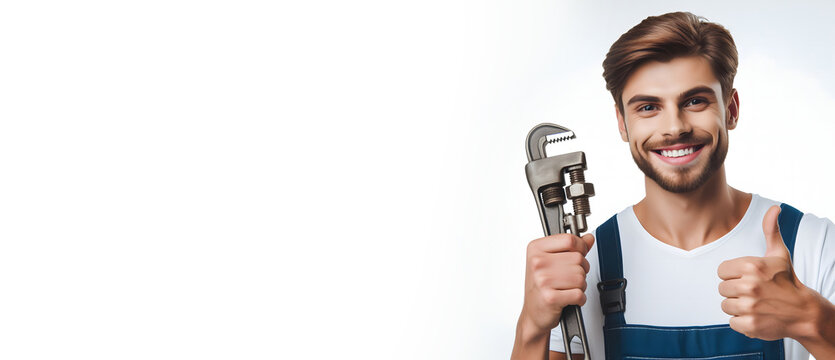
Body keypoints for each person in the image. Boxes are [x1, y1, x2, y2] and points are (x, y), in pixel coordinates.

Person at [511, 11, 835, 360]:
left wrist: (813, 320)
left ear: (731, 109)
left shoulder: (812, 246)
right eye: (648, 107)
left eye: (695, 101)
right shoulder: (584, 267)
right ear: (622, 123)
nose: (674, 127)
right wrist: (532, 327)